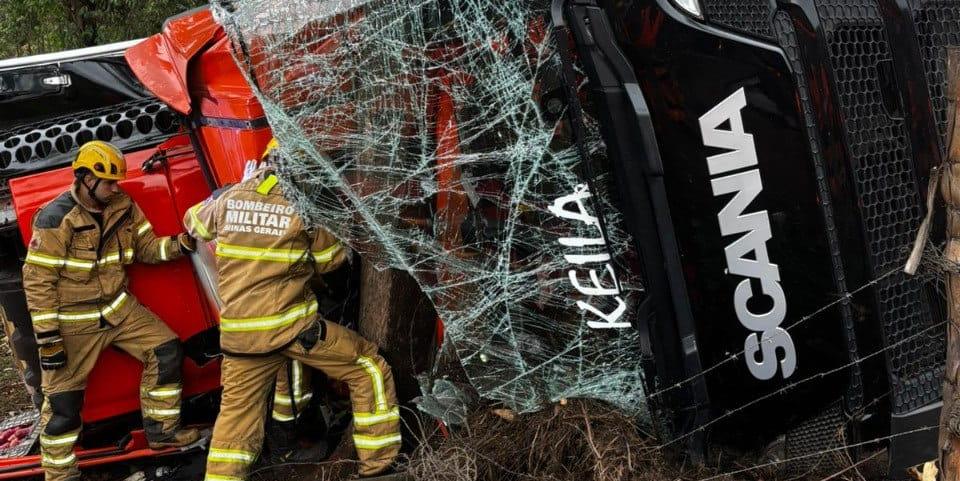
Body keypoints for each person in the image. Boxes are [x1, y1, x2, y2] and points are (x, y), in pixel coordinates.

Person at [183, 139, 400, 480]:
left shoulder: (231, 197)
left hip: (240, 337)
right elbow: (332, 264)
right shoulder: (304, 205)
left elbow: (192, 222)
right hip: (292, 329)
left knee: (234, 425)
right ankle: (379, 466)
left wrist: (229, 193)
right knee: (368, 368)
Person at [22, 141, 200, 481]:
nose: (116, 188)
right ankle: (60, 475)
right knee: (63, 405)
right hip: (74, 323)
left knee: (165, 351)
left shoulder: (123, 205)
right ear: (87, 179)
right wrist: (48, 339)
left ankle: (163, 433)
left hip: (119, 309)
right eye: (109, 182)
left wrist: (181, 244)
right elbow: (37, 281)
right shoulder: (55, 218)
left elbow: (147, 248)